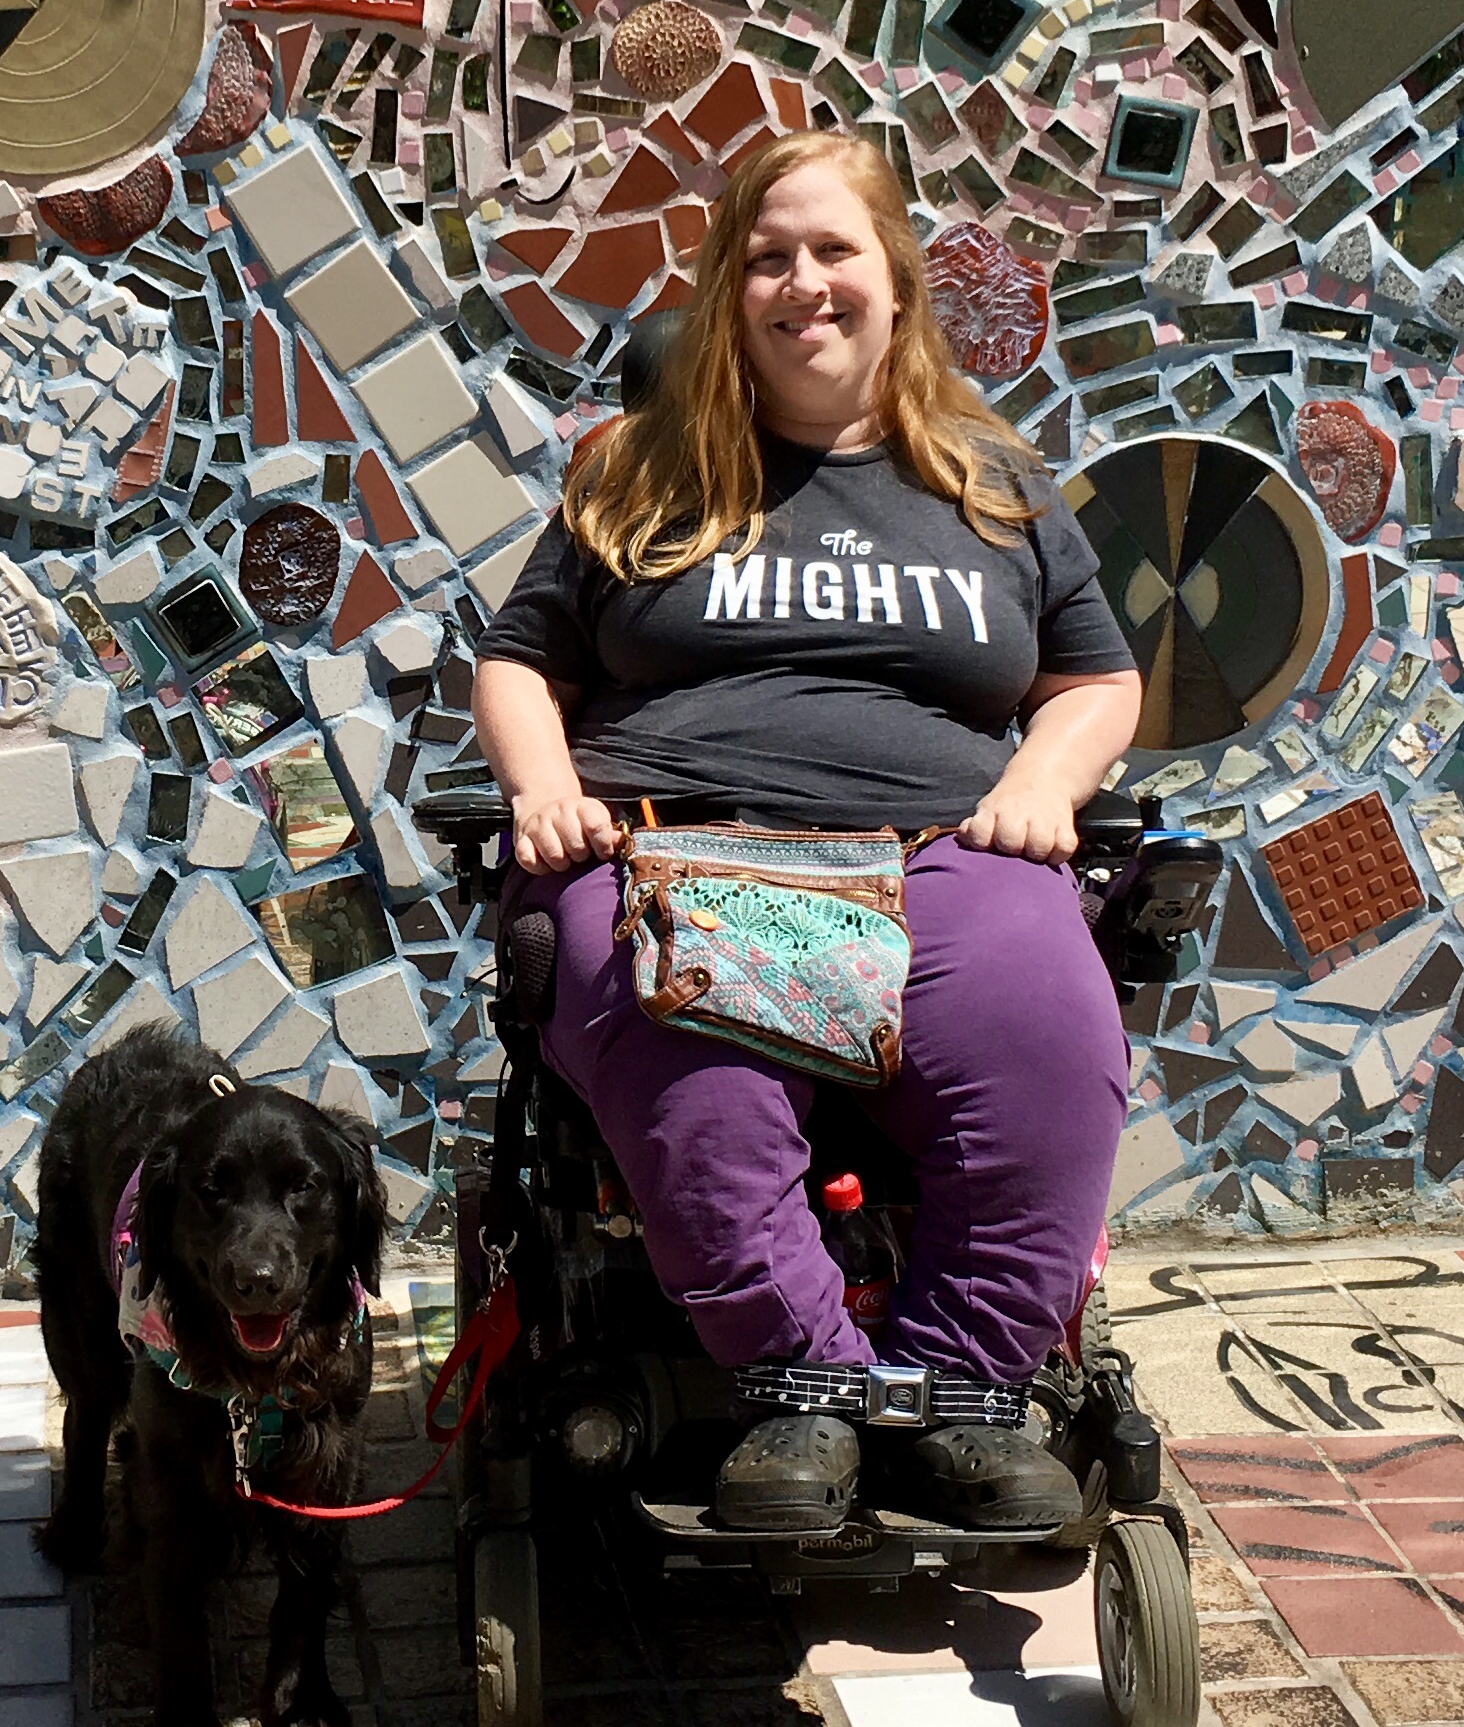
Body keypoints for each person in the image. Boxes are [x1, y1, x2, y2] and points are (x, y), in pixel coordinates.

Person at [472, 126, 1147, 1533]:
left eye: (833, 250)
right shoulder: (634, 478)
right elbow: (520, 657)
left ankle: (961, 1396)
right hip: (687, 849)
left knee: (1050, 1033)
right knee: (687, 1053)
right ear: (729, 293)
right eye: (766, 258)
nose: (803, 284)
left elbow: (1098, 675)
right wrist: (542, 782)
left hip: (940, 854)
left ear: (893, 280)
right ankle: (807, 1394)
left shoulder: (991, 485)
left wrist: (1049, 777)